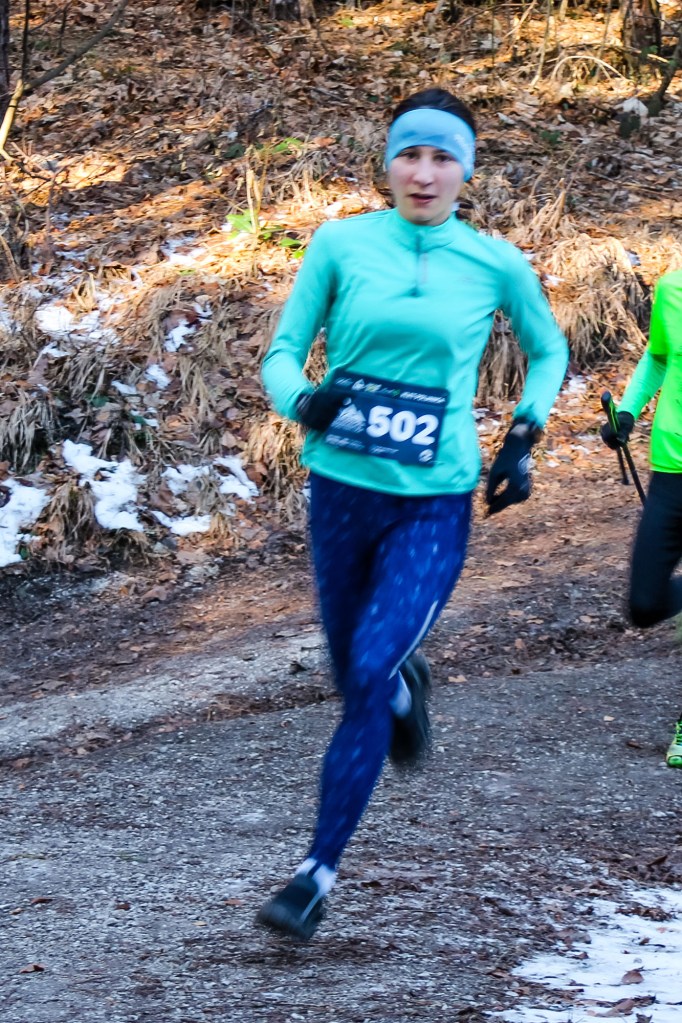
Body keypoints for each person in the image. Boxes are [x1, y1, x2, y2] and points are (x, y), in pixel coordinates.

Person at [257, 87, 569, 941]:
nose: (424, 173)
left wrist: (523, 435)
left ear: (466, 171)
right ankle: (401, 686)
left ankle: (315, 875)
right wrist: (303, 401)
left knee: (363, 668)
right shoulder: (341, 243)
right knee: (354, 671)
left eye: (442, 158)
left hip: (433, 500)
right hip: (340, 490)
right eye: (410, 154)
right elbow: (281, 354)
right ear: (388, 163)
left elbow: (548, 349)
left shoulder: (494, 263)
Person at [600, 269, 682, 768]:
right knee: (644, 603)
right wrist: (628, 412)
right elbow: (658, 357)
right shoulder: (673, 288)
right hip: (670, 470)